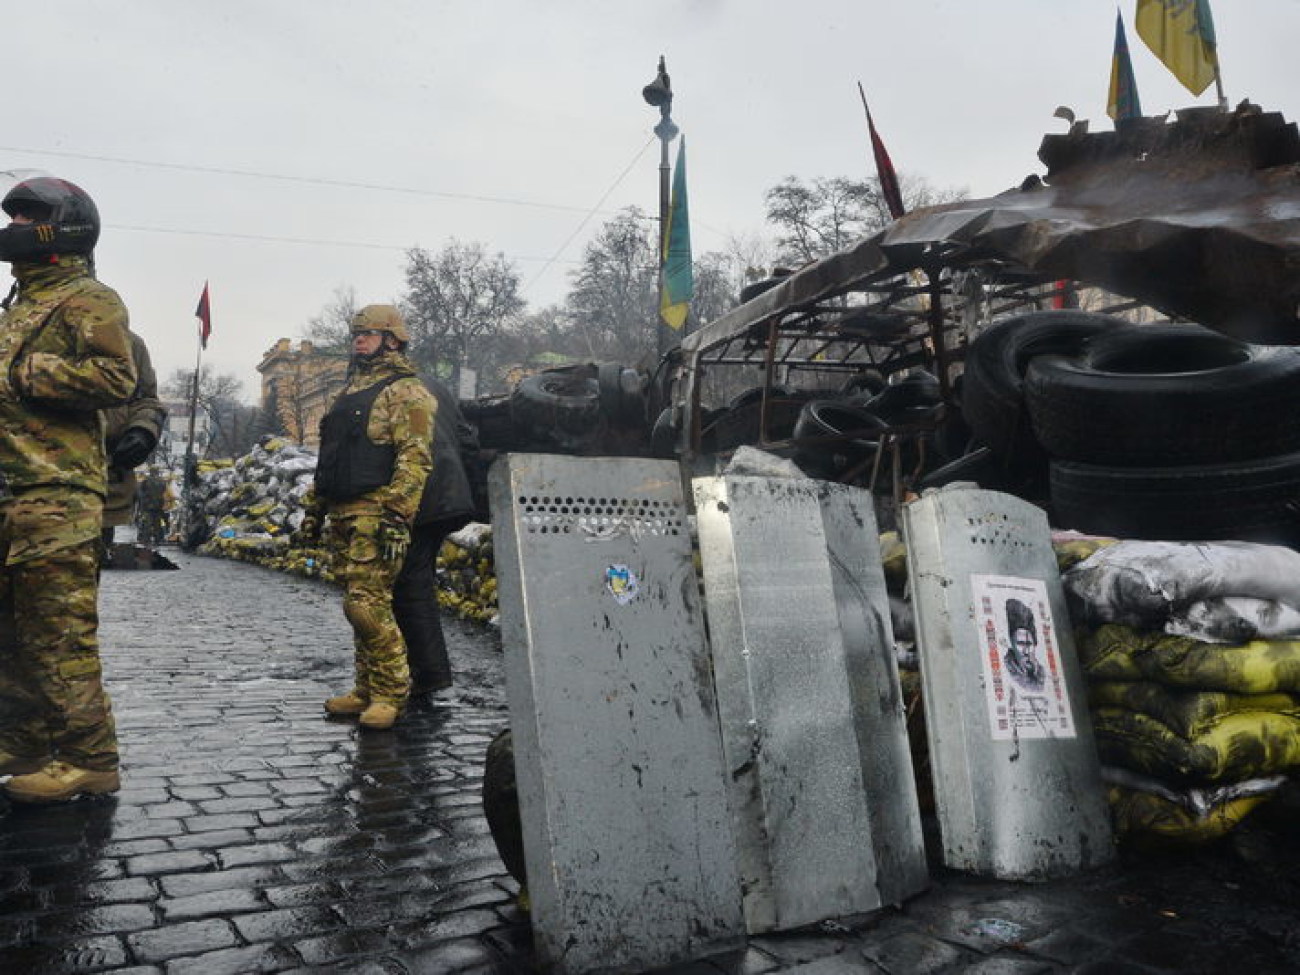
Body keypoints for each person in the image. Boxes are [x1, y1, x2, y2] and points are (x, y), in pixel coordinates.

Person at [0, 176, 136, 802]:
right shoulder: (20, 302)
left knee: (60, 640)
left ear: (64, 226)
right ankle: (23, 746)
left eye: (30, 215)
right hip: (13, 491)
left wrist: (28, 370)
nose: (18, 224)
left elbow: (116, 377)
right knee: (16, 636)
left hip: (57, 496)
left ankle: (92, 759)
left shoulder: (88, 298)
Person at [294, 305, 434, 731]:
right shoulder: (349, 391)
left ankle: (391, 692)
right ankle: (365, 688)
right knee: (354, 608)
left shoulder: (408, 392)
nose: (359, 340)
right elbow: (330, 459)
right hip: (342, 510)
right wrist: (314, 514)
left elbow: (415, 458)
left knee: (367, 606)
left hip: (377, 512)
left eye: (368, 334)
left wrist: (397, 513)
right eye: (356, 334)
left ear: (391, 339)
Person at [393, 372, 478, 695]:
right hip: (448, 496)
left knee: (411, 585)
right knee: (418, 578)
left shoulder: (388, 391)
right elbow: (467, 438)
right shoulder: (435, 385)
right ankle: (421, 666)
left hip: (420, 498)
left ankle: (430, 672)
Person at [101, 331, 166, 551]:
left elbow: (146, 400)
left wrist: (143, 431)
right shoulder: (19, 327)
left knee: (80, 576)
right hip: (21, 484)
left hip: (101, 486)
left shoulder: (126, 342)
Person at [1003, 597, 1045, 692]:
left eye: (1029, 644)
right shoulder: (1009, 670)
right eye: (1020, 643)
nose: (1025, 651)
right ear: (1012, 645)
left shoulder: (1041, 672)